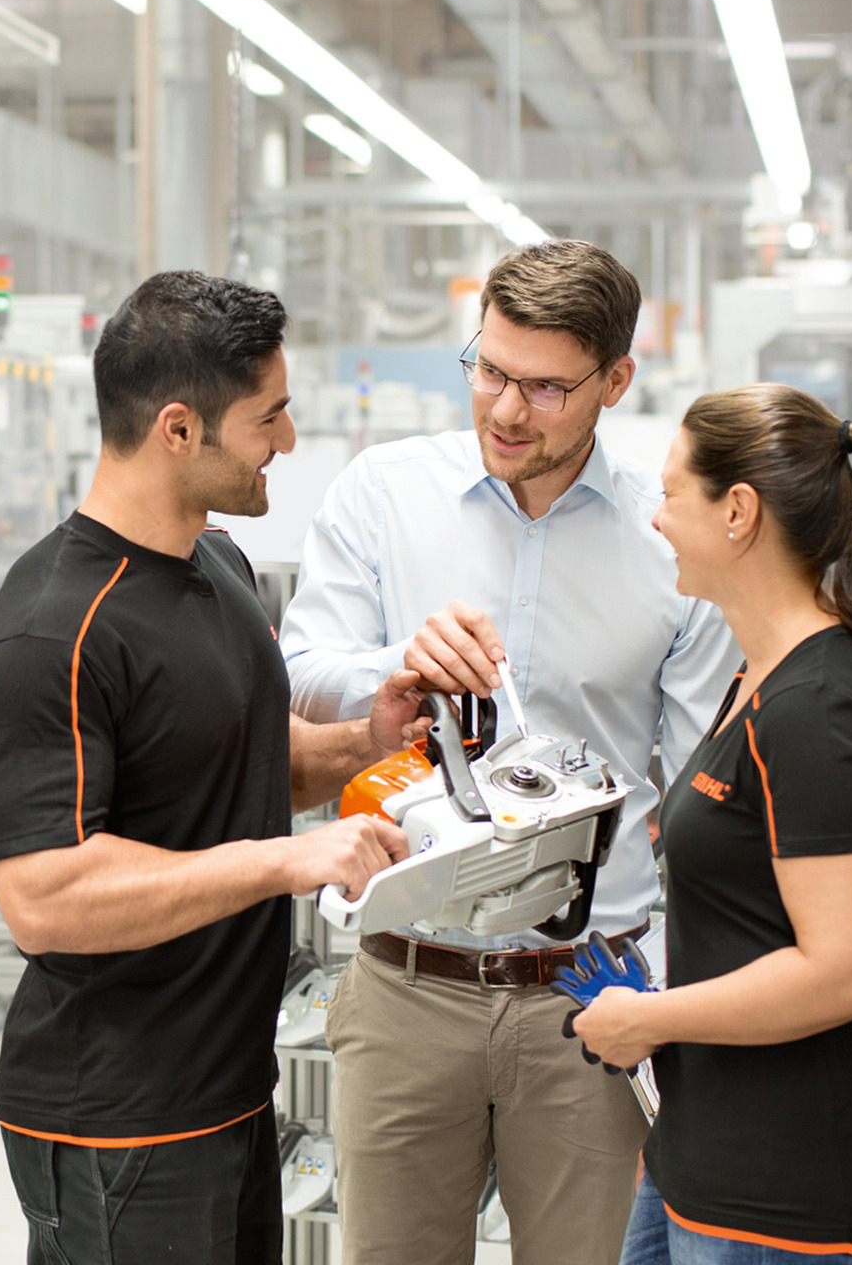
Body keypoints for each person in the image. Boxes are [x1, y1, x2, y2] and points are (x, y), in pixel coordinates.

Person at [0, 271, 431, 1265]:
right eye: (271, 418)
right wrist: (288, 861)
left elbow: (242, 760)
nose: (288, 442)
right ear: (179, 430)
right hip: (115, 1114)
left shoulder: (220, 569)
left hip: (226, 1085)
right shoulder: (48, 634)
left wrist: (364, 744)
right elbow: (45, 896)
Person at [280, 239, 739, 1265]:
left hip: (589, 998)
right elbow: (301, 662)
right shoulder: (383, 493)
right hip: (405, 981)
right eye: (488, 369)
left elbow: (705, 776)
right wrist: (392, 669)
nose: (505, 409)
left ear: (616, 380)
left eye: (544, 387)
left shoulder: (670, 541)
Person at [571, 385, 852, 1263]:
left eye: (671, 494)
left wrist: (651, 1020)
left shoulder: (814, 708)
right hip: (709, 1141)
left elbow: (845, 972)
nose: (655, 521)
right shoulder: (759, 675)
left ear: (738, 512)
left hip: (783, 1178)